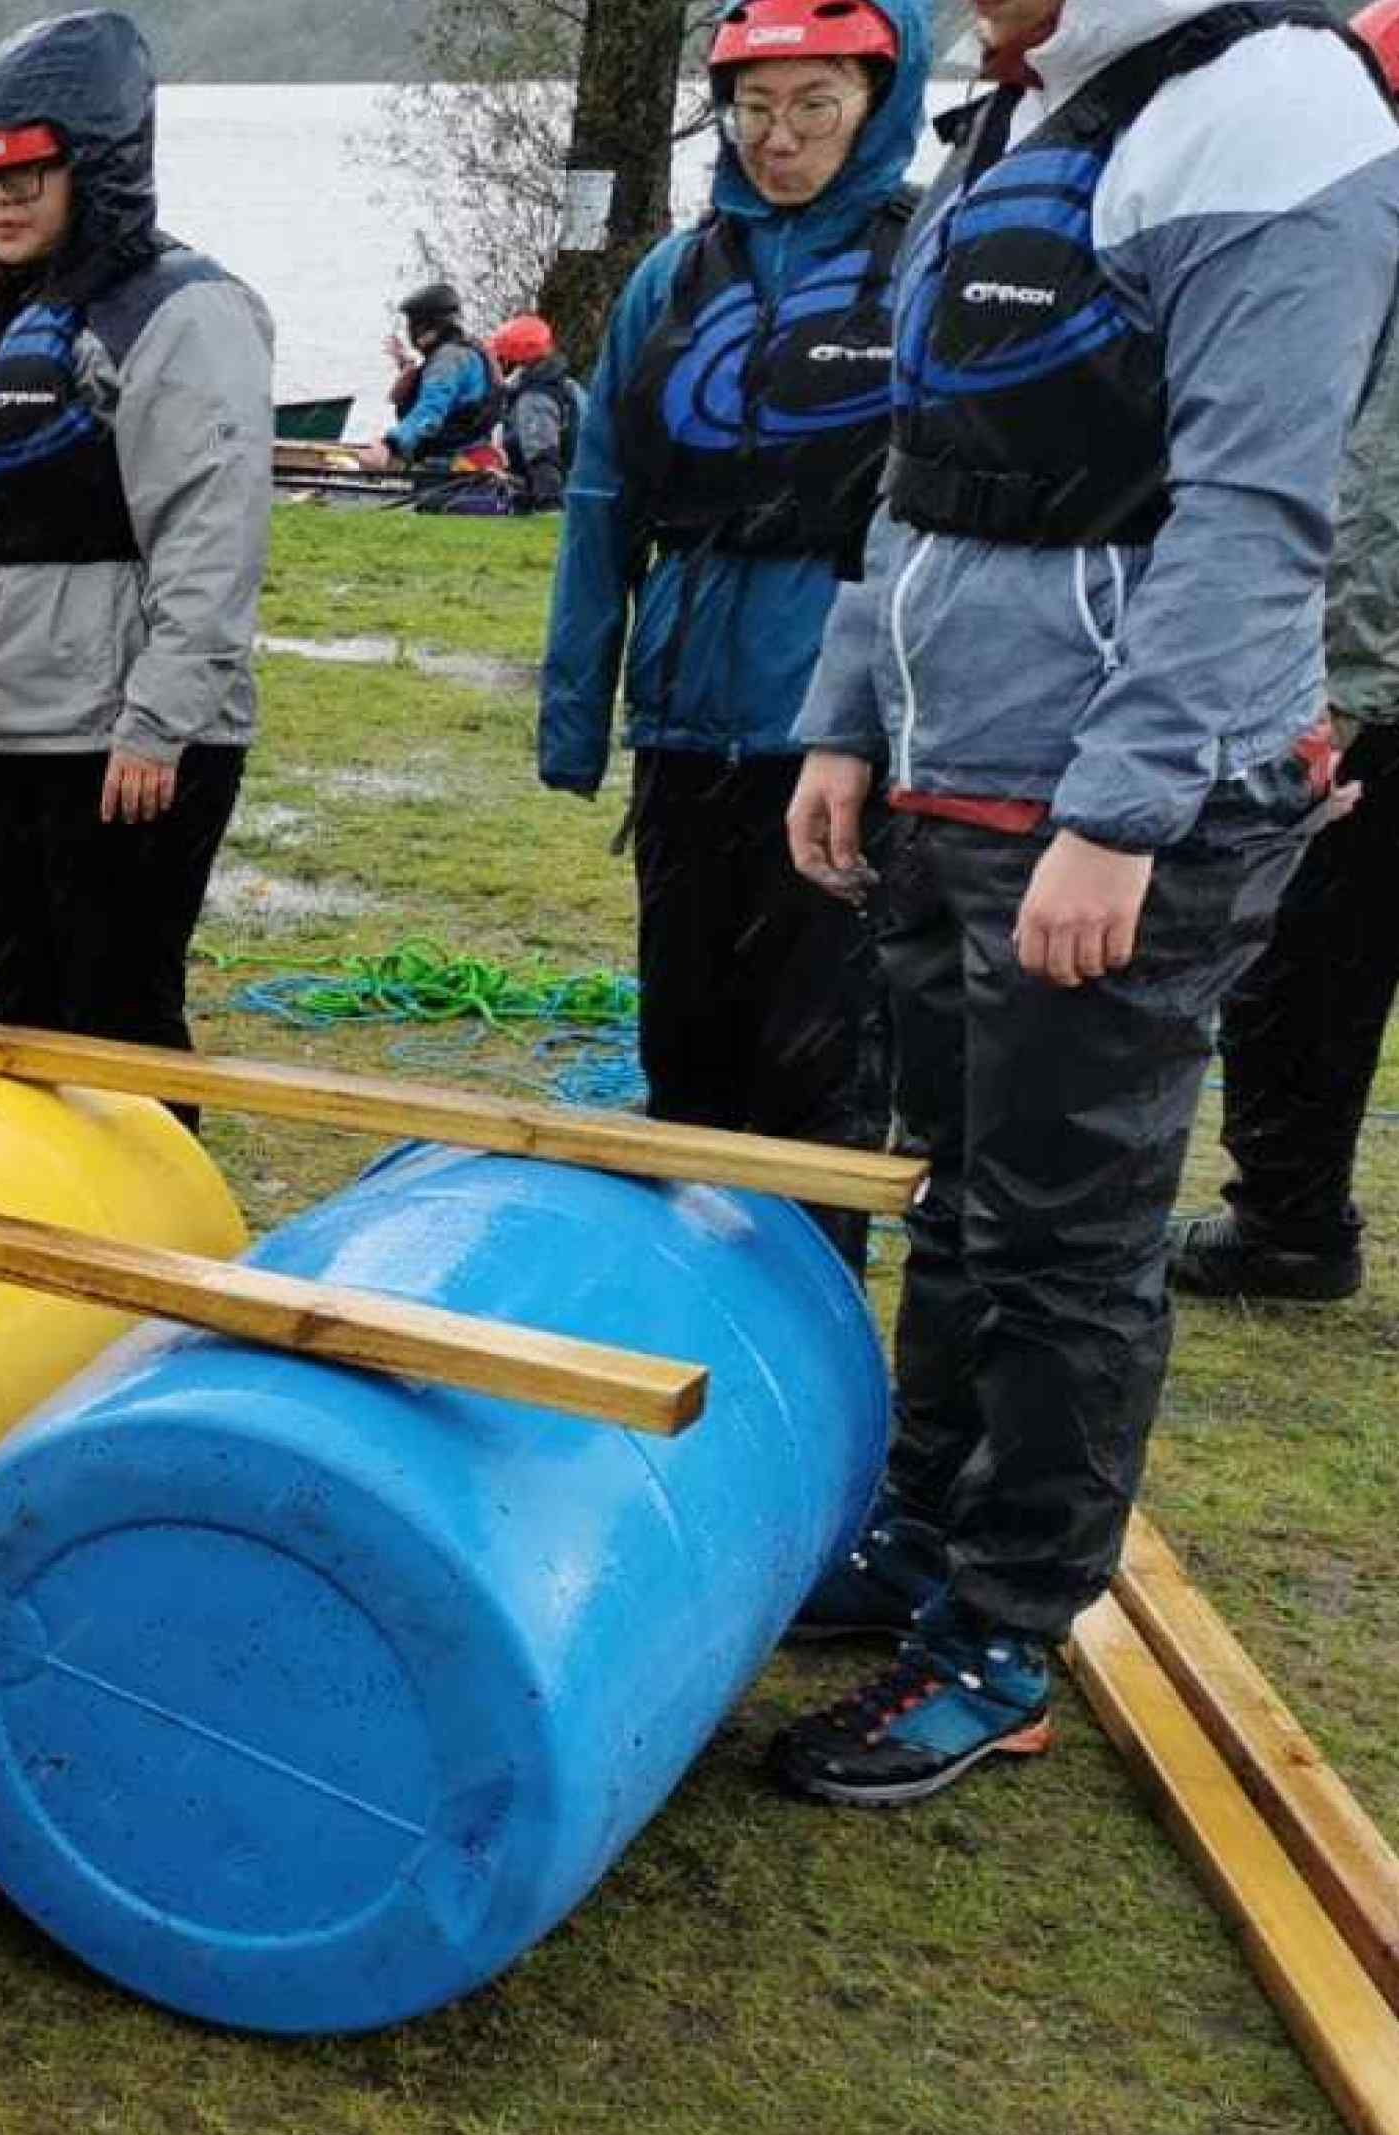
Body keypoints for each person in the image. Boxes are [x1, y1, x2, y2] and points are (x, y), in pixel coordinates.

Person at [772, 0, 1399, 1808]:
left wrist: (1117, 816)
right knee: (958, 1200)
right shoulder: (1017, 117)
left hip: (1123, 807)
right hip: (949, 773)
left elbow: (1253, 511)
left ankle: (1002, 1633)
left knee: (1068, 1238)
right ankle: (916, 1544)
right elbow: (919, 468)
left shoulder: (1273, 109)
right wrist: (842, 717)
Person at [538, 0, 925, 1263]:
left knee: (817, 1061)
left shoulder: (925, 257)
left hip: (846, 722)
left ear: (878, 99)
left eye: (813, 105)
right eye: (753, 109)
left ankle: (809, 1317)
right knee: (684, 1043)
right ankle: (679, 1303)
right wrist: (574, 711)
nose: (778, 138)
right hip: (684, 711)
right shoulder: (671, 275)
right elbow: (601, 494)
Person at [0, 8, 275, 1069]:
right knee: (19, 1009)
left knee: (117, 1016)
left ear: (96, 168)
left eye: (25, 178)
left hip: (134, 741)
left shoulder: (182, 317)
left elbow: (209, 541)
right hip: (4, 731)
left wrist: (155, 723)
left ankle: (153, 1222)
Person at [1176, 0, 1399, 1303]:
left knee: (1301, 955)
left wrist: (1340, 692)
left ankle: (1289, 1223)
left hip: (1372, 683)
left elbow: (1371, 482)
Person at [378, 279, 499, 468]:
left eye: (413, 324)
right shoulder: (466, 351)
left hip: (450, 464)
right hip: (468, 453)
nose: (410, 332)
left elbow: (430, 412)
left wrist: (390, 445)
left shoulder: (448, 360)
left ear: (429, 325)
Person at [484, 313, 582, 511]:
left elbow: (542, 454)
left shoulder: (534, 398)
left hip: (563, 495)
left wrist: (549, 503)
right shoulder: (567, 386)